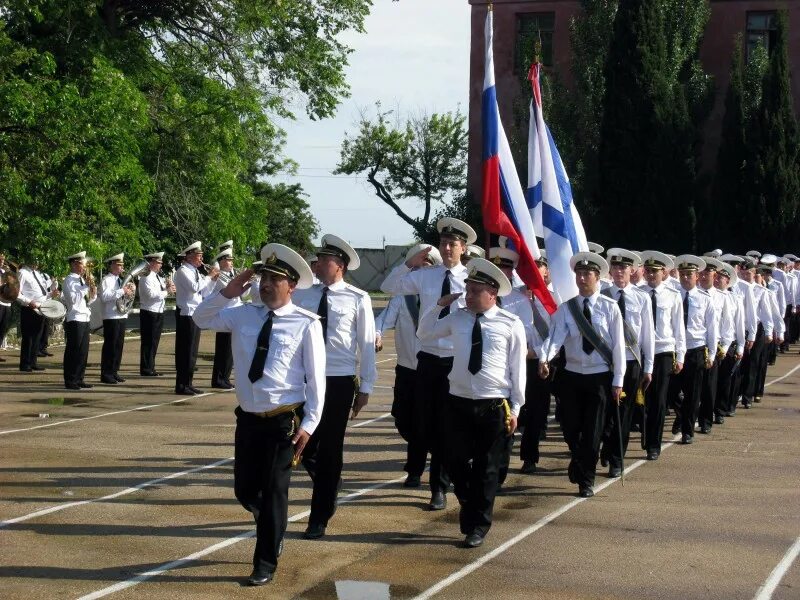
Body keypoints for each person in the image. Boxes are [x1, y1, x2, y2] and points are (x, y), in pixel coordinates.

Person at [193, 243, 325, 586]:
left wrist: (309, 425)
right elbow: (200, 318)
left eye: (274, 279)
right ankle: (269, 520)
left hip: (285, 420)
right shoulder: (242, 314)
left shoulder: (306, 323)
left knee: (275, 490)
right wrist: (229, 290)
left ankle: (265, 561)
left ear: (291, 286)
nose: (265, 284)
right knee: (245, 491)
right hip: (249, 419)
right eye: (263, 277)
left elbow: (316, 381)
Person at [418, 257, 525, 548]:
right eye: (468, 289)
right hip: (459, 401)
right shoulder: (457, 317)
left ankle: (478, 526)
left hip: (493, 404)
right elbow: (424, 333)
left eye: (476, 290)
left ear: (493, 293)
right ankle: (469, 502)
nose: (469, 295)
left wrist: (515, 408)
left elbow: (518, 369)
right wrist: (439, 305)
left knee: (487, 468)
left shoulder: (510, 323)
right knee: (454, 460)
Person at [380, 217, 478, 511]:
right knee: (422, 424)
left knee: (446, 425)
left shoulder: (471, 280)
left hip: (455, 360)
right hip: (427, 359)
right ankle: (438, 472)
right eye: (444, 243)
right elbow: (388, 287)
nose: (447, 248)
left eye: (453, 244)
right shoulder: (426, 276)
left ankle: (439, 486)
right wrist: (410, 262)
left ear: (463, 248)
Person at [292, 234, 377, 539]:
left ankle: (319, 517)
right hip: (304, 378)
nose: (316, 264)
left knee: (330, 449)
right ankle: (331, 482)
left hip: (338, 380)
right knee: (302, 443)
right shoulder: (303, 295)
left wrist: (366, 386)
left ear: (339, 265)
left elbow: (366, 344)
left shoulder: (357, 298)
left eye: (323, 260)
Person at [539, 252, 625, 496]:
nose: (582, 277)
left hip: (599, 377)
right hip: (573, 376)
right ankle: (579, 460)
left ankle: (586, 480)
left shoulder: (610, 308)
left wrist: (618, 380)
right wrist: (545, 357)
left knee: (592, 430)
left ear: (598, 277)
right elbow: (556, 338)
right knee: (570, 427)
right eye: (578, 273)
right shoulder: (568, 308)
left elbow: (618, 346)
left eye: (587, 273)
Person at [374, 243, 443, 488]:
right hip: (406, 368)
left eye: (427, 266)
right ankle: (424, 451)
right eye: (417, 266)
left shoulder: (439, 296)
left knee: (430, 421)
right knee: (404, 419)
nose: (421, 271)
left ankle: (417, 471)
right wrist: (377, 333)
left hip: (434, 366)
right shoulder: (402, 297)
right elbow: (384, 319)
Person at [599, 248, 654, 477]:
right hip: (605, 362)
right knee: (603, 412)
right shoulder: (601, 295)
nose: (620, 271)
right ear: (610, 270)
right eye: (616, 267)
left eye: (624, 268)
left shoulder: (641, 297)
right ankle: (606, 445)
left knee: (623, 413)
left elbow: (648, 334)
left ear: (632, 271)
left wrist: (648, 367)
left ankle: (616, 459)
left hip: (631, 362)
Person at [486, 246, 536, 486]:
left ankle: (501, 470)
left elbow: (524, 333)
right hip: (487, 369)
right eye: (497, 268)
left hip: (511, 366)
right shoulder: (482, 298)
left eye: (506, 268)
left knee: (509, 421)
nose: (502, 273)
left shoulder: (520, 299)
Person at [638, 251, 685, 459]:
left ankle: (653, 444)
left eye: (655, 271)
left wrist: (680, 355)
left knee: (658, 400)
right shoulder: (637, 294)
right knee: (639, 399)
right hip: (639, 352)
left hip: (663, 351)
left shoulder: (673, 295)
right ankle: (643, 435)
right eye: (647, 271)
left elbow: (678, 328)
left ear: (664, 272)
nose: (650, 275)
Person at [669, 255, 717, 443]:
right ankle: (682, 414)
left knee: (693, 393)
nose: (685, 278)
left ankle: (687, 431)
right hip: (675, 350)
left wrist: (711, 354)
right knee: (670, 391)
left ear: (697, 276)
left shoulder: (705, 299)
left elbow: (712, 329)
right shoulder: (673, 296)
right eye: (682, 274)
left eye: (689, 274)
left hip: (696, 349)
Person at [174, 242, 218, 395]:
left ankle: (188, 382)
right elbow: (194, 287)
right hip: (186, 314)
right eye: (199, 255)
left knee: (192, 352)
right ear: (189, 255)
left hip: (195, 313)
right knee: (185, 351)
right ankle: (181, 384)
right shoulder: (183, 271)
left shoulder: (196, 272)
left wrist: (212, 281)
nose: (201, 258)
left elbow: (204, 292)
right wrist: (209, 276)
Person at [713, 262, 745, 422]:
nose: (717, 280)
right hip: (712, 342)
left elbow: (739, 324)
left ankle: (720, 411)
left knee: (725, 380)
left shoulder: (734, 299)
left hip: (728, 344)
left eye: (721, 278)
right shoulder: (709, 295)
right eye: (716, 276)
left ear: (728, 281)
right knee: (711, 380)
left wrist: (741, 346)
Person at [16, 257, 58, 372]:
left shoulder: (37, 274)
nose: (37, 263)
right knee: (28, 337)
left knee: (37, 337)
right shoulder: (22, 273)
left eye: (37, 260)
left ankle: (33, 362)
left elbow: (41, 292)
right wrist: (28, 302)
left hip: (41, 307)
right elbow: (17, 293)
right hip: (29, 308)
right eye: (34, 260)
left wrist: (50, 294)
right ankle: (25, 364)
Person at [62, 251, 97, 389]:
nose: (84, 267)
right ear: (74, 264)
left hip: (84, 317)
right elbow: (73, 300)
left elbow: (88, 301)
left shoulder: (81, 280)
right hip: (75, 318)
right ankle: (70, 380)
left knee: (83, 351)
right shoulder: (69, 280)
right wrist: (86, 287)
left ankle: (79, 377)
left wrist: (93, 292)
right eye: (82, 264)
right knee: (73, 350)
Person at [99, 253, 135, 384]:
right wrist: (122, 291)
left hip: (121, 314)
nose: (122, 268)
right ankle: (106, 373)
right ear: (112, 265)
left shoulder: (121, 280)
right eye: (119, 265)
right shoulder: (106, 280)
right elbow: (104, 297)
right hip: (111, 316)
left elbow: (125, 296)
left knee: (119, 345)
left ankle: (114, 371)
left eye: (122, 265)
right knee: (110, 345)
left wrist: (129, 293)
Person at [138, 252, 174, 376]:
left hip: (158, 311)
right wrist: (167, 292)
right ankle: (146, 368)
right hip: (149, 312)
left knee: (154, 341)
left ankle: (151, 367)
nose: (161, 265)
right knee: (148, 342)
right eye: (159, 263)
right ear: (152, 262)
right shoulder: (146, 277)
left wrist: (167, 287)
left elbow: (160, 291)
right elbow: (151, 295)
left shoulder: (157, 277)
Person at [211, 248, 238, 389]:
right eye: (228, 260)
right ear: (221, 262)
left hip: (233, 314)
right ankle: (218, 378)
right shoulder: (220, 276)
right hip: (225, 315)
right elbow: (231, 291)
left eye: (231, 260)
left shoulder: (231, 275)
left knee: (230, 349)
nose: (231, 262)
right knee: (223, 349)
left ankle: (225, 377)